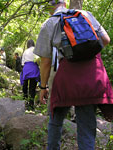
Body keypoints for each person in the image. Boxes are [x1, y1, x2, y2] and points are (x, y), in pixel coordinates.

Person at [34, 0, 113, 149]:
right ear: (64, 3)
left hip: (66, 79)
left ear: (50, 7)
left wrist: (43, 87)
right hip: (92, 77)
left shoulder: (50, 23)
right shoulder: (85, 14)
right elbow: (106, 40)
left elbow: (45, 61)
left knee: (55, 120)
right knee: (86, 127)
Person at [20, 39, 40, 110]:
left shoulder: (25, 51)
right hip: (34, 68)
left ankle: (24, 101)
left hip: (26, 68)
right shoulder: (36, 50)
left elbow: (22, 63)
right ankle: (31, 104)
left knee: (25, 85)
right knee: (32, 87)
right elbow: (38, 61)